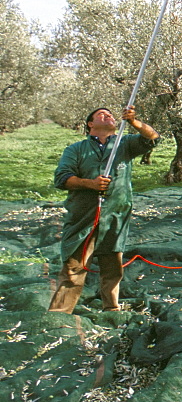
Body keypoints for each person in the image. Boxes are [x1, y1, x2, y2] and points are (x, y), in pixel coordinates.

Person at [48, 106, 160, 314]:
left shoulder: (124, 144)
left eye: (110, 114)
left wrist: (135, 122)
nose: (108, 116)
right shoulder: (76, 149)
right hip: (84, 217)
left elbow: (152, 138)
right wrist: (90, 184)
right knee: (74, 267)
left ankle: (111, 309)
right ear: (90, 124)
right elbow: (62, 178)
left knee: (112, 268)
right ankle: (59, 313)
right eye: (101, 114)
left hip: (116, 216)